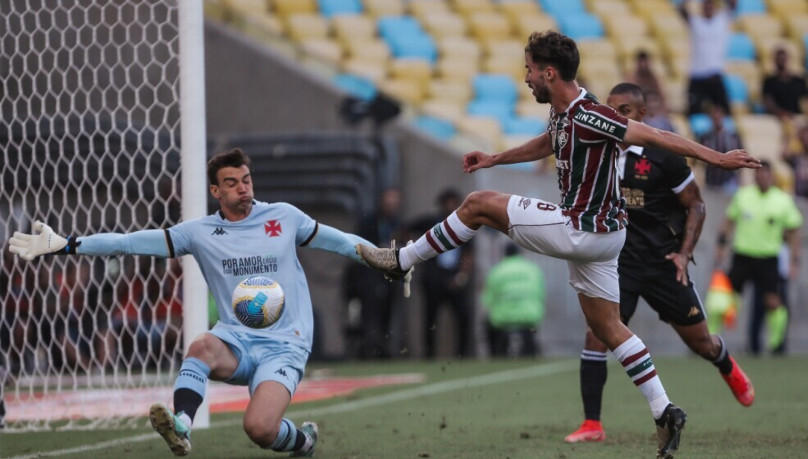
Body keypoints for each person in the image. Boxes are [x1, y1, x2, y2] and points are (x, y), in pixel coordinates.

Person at [356, 31, 760, 458]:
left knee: (477, 205)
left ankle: (402, 259)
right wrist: (496, 158)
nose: (526, 78)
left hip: (583, 230)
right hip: (607, 238)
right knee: (607, 328)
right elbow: (549, 142)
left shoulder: (590, 113)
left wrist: (716, 158)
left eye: (529, 69)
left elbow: (651, 135)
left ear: (549, 72)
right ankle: (664, 410)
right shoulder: (562, 112)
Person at [8, 148, 383, 457]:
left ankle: (302, 441)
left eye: (246, 180)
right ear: (216, 192)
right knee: (201, 345)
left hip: (285, 344)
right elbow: (127, 241)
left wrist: (387, 259)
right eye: (232, 184)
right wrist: (67, 244)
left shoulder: (284, 217)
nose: (243, 189)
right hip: (235, 339)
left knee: (259, 429)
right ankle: (182, 426)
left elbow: (340, 242)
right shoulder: (200, 232)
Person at [564, 83, 754, 444]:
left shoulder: (662, 156)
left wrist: (683, 253)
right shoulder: (598, 151)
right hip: (620, 264)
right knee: (598, 333)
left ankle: (725, 362)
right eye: (611, 109)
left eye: (625, 110)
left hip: (665, 262)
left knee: (701, 343)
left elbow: (695, 204)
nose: (616, 117)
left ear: (641, 115)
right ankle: (592, 424)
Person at [715, 161, 803, 356]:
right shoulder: (743, 196)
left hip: (768, 258)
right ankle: (708, 342)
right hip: (743, 255)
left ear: (771, 177)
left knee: (773, 302)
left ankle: (777, 345)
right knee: (722, 299)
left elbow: (795, 230)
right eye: (759, 174)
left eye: (766, 174)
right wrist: (721, 245)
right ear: (754, 176)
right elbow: (728, 221)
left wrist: (795, 260)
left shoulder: (782, 200)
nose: (762, 177)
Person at [407, 188, 475, 359]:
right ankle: (428, 354)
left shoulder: (464, 224)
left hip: (454, 276)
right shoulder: (430, 222)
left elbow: (468, 254)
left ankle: (462, 354)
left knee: (463, 316)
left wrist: (462, 276)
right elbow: (406, 230)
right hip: (433, 277)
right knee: (430, 318)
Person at [345, 187, 405, 359]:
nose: (392, 205)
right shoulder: (369, 221)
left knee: (388, 311)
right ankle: (368, 350)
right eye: (389, 200)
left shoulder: (397, 223)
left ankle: (383, 349)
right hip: (370, 275)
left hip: (390, 275)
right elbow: (361, 247)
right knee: (370, 314)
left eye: (395, 201)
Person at [481, 243, 545, 358]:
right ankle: (530, 351)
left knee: (488, 325)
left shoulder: (496, 270)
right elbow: (540, 295)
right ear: (519, 253)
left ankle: (496, 354)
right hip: (528, 316)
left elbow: (487, 300)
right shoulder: (532, 269)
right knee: (530, 333)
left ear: (504, 254)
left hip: (502, 318)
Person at [679, 0, 736, 114]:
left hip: (715, 74)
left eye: (711, 6)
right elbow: (682, 10)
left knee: (725, 112)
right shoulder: (696, 22)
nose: (708, 9)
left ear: (715, 8)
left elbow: (733, 4)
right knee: (693, 111)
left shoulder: (721, 21)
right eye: (706, 6)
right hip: (697, 74)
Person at [697, 105, 743, 193]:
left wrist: (740, 179)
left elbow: (742, 157)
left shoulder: (733, 137)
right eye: (714, 117)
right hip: (710, 180)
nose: (716, 120)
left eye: (718, 116)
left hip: (729, 181)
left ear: (723, 117)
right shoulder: (705, 137)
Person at [762, 48, 808, 121]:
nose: (781, 61)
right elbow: (768, 101)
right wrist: (779, 113)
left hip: (796, 116)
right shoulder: (769, 81)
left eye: (783, 58)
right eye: (779, 58)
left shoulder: (798, 81)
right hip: (777, 118)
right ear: (774, 60)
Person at [782, 122, 808, 200]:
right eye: (803, 137)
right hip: (801, 200)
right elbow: (784, 155)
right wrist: (793, 136)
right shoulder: (796, 159)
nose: (806, 139)